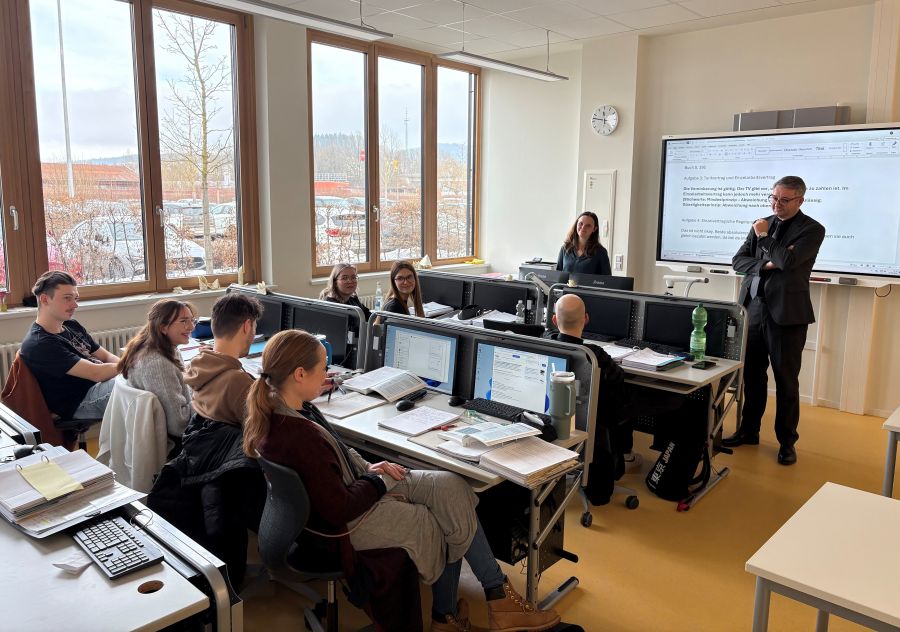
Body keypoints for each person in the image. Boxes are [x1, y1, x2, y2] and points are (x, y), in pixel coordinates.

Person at [243, 329, 560, 632]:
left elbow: (337, 452)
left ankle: (494, 595)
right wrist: (379, 484)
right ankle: (450, 614)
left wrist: (372, 467)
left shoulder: (290, 409)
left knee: (452, 486)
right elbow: (340, 508)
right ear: (299, 374)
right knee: (437, 518)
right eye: (322, 369)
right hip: (341, 528)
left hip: (353, 489)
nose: (328, 376)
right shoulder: (295, 435)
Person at [149, 291, 266, 587]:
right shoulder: (238, 381)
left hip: (207, 469)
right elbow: (269, 436)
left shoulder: (202, 362)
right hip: (236, 481)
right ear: (247, 327)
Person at [725, 176, 825, 466]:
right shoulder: (761, 222)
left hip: (787, 316)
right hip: (753, 310)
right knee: (752, 377)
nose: (776, 204)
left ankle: (787, 442)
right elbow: (738, 261)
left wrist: (765, 240)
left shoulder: (812, 229)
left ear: (800, 201)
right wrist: (767, 262)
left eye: (784, 200)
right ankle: (748, 431)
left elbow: (790, 262)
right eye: (773, 197)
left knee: (786, 381)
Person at [545, 294, 683, 504]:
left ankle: (623, 453)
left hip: (562, 420)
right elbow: (618, 384)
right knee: (674, 399)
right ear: (586, 319)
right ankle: (628, 454)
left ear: (554, 320)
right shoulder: (594, 354)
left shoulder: (546, 344)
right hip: (599, 420)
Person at [19, 270, 119, 420]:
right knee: (137, 386)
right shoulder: (40, 343)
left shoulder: (71, 325)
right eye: (67, 298)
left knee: (143, 381)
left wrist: (128, 367)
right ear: (45, 300)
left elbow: (105, 356)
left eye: (75, 298)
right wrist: (132, 364)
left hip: (100, 385)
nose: (75, 305)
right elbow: (96, 373)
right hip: (81, 400)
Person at [118, 299, 197, 440]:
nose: (191, 327)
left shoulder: (160, 348)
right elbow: (179, 425)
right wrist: (205, 399)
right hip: (177, 442)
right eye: (184, 321)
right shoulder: (158, 365)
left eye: (192, 320)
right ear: (163, 327)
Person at [184, 292, 261, 425]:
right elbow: (265, 429)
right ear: (247, 326)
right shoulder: (239, 383)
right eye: (255, 327)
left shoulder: (197, 365)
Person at [556, 211, 611, 276]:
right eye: (580, 223)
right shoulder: (565, 248)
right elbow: (558, 276)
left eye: (588, 226)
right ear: (576, 224)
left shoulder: (601, 252)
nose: (583, 227)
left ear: (594, 229)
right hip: (565, 286)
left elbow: (607, 281)